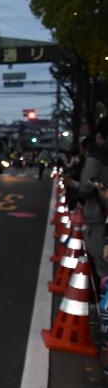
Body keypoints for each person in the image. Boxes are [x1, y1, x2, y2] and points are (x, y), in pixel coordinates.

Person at [73, 118, 108, 278]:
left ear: (100, 136)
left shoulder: (98, 156)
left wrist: (97, 187)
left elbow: (86, 185)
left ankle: (104, 288)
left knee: (98, 250)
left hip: (100, 213)